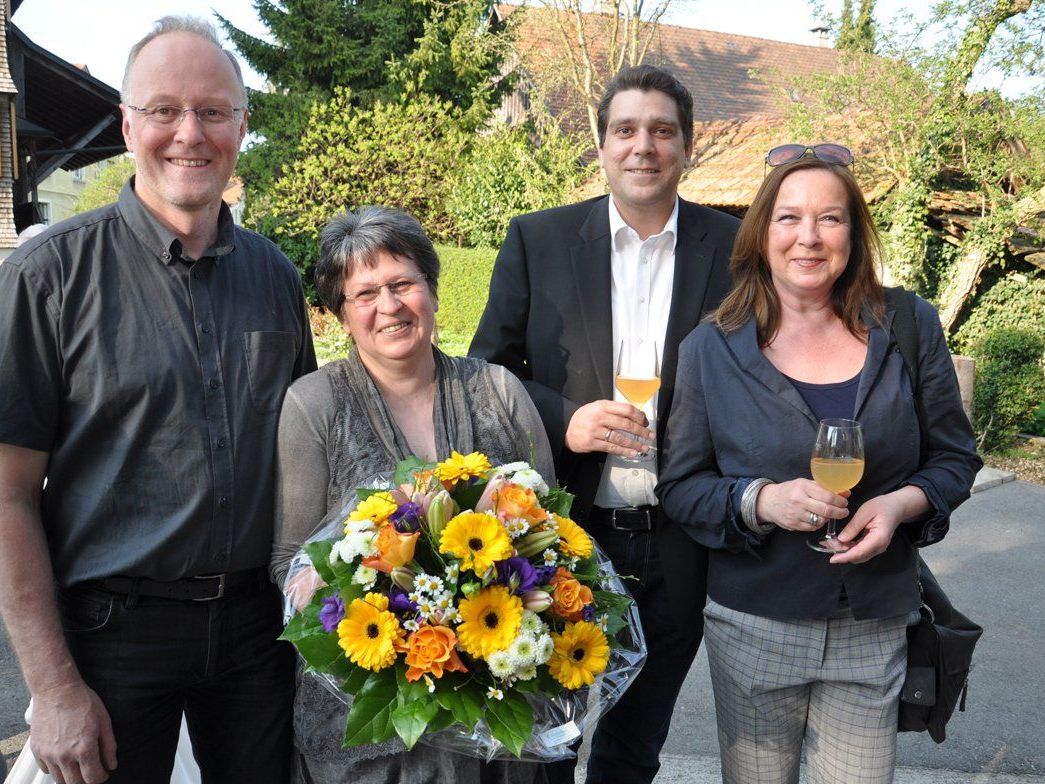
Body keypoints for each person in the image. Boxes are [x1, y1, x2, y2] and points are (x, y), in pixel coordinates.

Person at [0, 16, 316, 784]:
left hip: (255, 631)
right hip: (112, 636)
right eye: (164, 110)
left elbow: (313, 449)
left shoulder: (273, 276)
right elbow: (6, 497)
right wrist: (53, 687)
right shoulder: (50, 276)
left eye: (213, 111)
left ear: (242, 125)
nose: (190, 134)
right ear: (127, 122)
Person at [656, 145, 982, 783]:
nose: (809, 237)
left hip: (875, 620)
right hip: (754, 626)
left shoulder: (908, 325)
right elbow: (681, 486)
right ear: (761, 233)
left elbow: (954, 458)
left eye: (830, 219)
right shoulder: (709, 348)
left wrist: (898, 506)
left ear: (853, 235)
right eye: (789, 218)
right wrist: (761, 501)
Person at [469, 65, 740, 784]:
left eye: (660, 131)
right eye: (625, 130)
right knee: (546, 747)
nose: (642, 146)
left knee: (632, 750)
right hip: (567, 536)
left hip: (680, 542)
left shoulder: (736, 247)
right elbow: (484, 375)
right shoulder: (539, 239)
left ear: (687, 146)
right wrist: (565, 420)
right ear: (600, 144)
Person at [271, 205, 554, 783]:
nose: (390, 306)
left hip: (496, 713)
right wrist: (331, 586)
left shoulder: (498, 391)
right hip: (370, 724)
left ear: (432, 288)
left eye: (403, 284)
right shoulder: (313, 405)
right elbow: (287, 559)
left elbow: (554, 542)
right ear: (340, 315)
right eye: (365, 293)